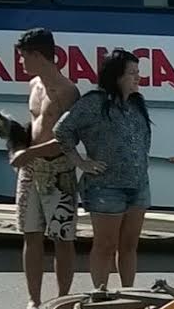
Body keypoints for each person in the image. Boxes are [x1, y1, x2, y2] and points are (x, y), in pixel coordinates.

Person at [53, 48, 152, 290]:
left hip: (138, 186)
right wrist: (81, 162)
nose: (137, 77)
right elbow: (62, 130)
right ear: (116, 76)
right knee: (105, 246)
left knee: (129, 246)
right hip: (106, 188)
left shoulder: (137, 104)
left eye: (138, 72)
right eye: (132, 73)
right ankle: (101, 296)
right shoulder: (94, 102)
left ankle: (129, 294)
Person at [6, 28, 82, 309]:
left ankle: (62, 301)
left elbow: (68, 139)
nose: (22, 63)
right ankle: (33, 301)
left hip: (58, 171)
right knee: (31, 234)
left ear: (39, 55)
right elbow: (35, 124)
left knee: (62, 238)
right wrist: (17, 138)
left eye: (25, 57)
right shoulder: (34, 84)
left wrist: (31, 153)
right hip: (30, 170)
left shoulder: (67, 91)